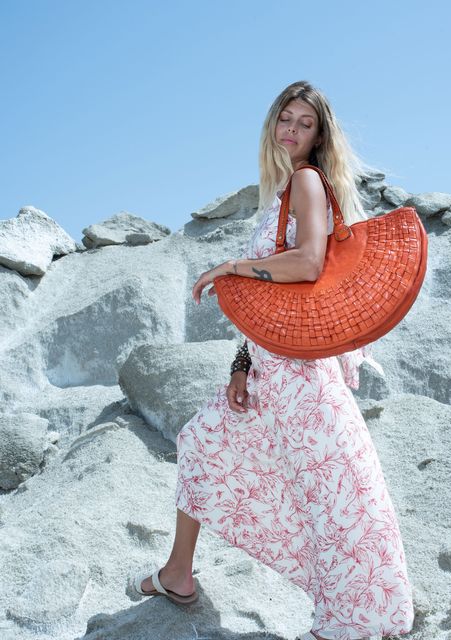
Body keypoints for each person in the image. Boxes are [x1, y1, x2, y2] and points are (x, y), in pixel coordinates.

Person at [134, 80, 415, 640]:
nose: (292, 129)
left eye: (305, 123)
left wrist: (232, 267)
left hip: (301, 375)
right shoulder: (284, 190)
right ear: (272, 123)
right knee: (205, 444)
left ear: (319, 136)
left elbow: (308, 264)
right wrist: (242, 363)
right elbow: (275, 303)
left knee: (333, 494)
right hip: (272, 368)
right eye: (286, 118)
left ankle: (355, 621)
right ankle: (178, 572)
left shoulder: (307, 180)